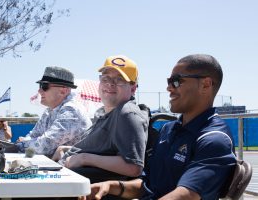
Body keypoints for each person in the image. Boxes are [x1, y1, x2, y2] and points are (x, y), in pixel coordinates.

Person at [82, 54, 237, 200]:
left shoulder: (214, 139)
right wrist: (111, 186)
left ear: (205, 85)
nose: (169, 88)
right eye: (169, 81)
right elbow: (148, 185)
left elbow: (186, 195)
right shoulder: (168, 130)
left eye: (176, 81)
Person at [54, 55, 149, 182]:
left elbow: (133, 167)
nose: (110, 84)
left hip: (79, 185)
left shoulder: (127, 113)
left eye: (119, 79)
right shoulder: (105, 113)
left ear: (133, 88)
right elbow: (103, 149)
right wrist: (67, 150)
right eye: (105, 78)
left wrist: (84, 158)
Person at [16, 66, 92, 157]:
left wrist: (22, 144)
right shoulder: (49, 111)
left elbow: (46, 145)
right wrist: (25, 142)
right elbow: (33, 135)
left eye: (44, 86)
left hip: (73, 169)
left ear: (63, 91)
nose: (39, 91)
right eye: (40, 86)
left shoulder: (72, 110)